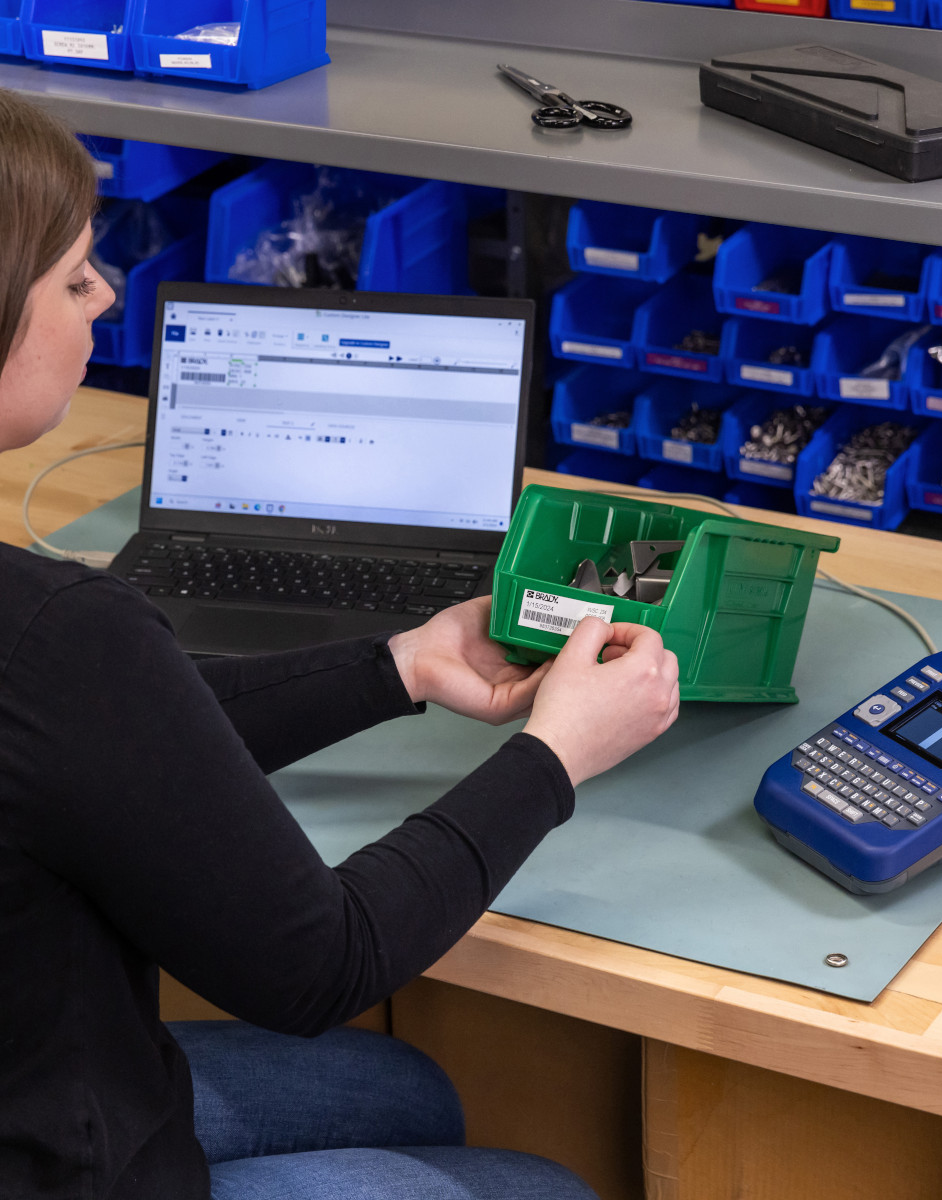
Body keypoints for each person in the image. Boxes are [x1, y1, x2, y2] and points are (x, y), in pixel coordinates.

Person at [0, 88, 680, 1200]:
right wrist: (554, 757)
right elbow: (322, 964)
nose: (108, 296)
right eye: (74, 279)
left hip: (46, 1073)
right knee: (541, 1187)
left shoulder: (52, 652)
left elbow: (100, 736)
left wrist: (396, 666)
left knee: (406, 1093)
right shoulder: (61, 632)